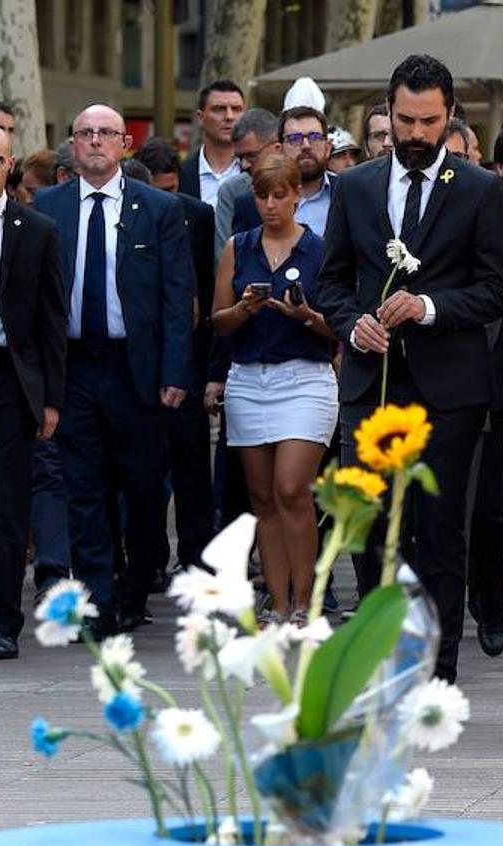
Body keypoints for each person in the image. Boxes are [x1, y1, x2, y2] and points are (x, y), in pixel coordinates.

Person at [317, 54, 503, 684]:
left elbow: (496, 291)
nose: (416, 134)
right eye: (405, 120)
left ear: (449, 116)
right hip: (370, 386)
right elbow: (330, 283)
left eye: (429, 121)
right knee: (370, 528)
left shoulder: (483, 191)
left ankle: (436, 669)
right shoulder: (354, 187)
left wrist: (428, 306)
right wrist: (354, 322)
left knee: (439, 530)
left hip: (450, 388)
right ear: (388, 113)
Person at [33, 104, 194, 637]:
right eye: (86, 134)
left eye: (106, 133)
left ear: (125, 143)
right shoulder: (48, 207)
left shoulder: (158, 210)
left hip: (137, 369)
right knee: (84, 489)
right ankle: (99, 602)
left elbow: (177, 297)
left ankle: (135, 585)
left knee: (146, 487)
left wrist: (175, 372)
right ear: (73, 146)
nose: (96, 142)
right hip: (75, 366)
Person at [211, 154, 335, 624]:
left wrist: (304, 316)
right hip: (247, 378)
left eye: (279, 195)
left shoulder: (320, 250)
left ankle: (306, 601)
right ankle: (279, 604)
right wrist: (244, 309)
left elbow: (338, 327)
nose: (269, 205)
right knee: (262, 498)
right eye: (261, 196)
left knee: (292, 490)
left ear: (297, 196)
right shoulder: (237, 247)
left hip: (305, 378)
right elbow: (218, 324)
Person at [0, 125, 67, 660]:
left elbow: (51, 323)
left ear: (10, 165)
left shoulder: (35, 229)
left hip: (8, 380)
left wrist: (51, 400)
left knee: (7, 505)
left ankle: (1, 620)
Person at [132, 138, 218, 576]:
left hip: (188, 357)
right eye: (158, 191)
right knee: (144, 472)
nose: (166, 200)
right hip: (138, 361)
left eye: (172, 190)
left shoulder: (199, 215)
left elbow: (207, 284)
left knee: (192, 466)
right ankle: (146, 564)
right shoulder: (127, 215)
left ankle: (196, 558)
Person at [232, 107, 336, 239]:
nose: (306, 145)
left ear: (328, 147)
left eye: (314, 137)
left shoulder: (348, 194)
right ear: (279, 149)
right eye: (294, 139)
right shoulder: (250, 204)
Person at [214, 108, 279, 251]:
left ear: (277, 148)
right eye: (240, 157)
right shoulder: (233, 191)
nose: (244, 165)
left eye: (251, 155)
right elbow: (224, 255)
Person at [178, 80, 247, 206]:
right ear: (200, 117)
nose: (229, 116)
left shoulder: (256, 172)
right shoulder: (180, 175)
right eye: (219, 109)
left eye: (236, 109)